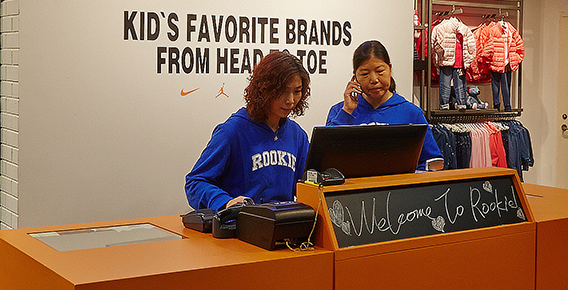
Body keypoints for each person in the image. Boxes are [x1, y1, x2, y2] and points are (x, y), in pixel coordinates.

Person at [185, 51, 311, 211]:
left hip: (284, 223)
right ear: (265, 89)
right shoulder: (232, 131)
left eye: (297, 91)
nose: (290, 100)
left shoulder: (298, 135)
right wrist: (225, 202)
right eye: (282, 91)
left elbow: (308, 186)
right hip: (243, 223)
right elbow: (195, 182)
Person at [326, 39, 442, 170]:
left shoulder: (411, 113)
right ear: (355, 77)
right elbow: (326, 159)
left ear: (390, 70)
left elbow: (432, 161)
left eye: (380, 71)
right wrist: (346, 112)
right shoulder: (340, 111)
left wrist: (410, 177)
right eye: (365, 74)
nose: (374, 79)